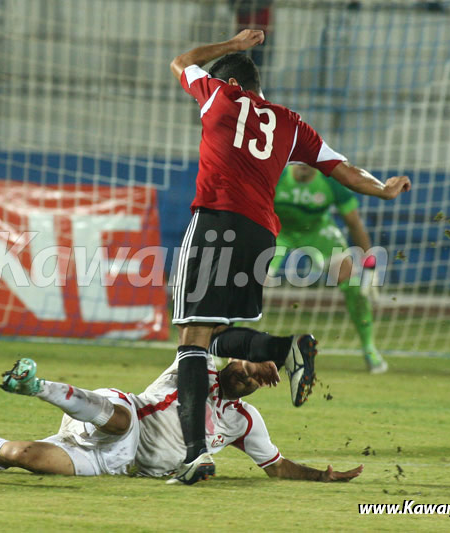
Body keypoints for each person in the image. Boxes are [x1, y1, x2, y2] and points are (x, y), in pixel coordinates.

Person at [168, 29, 411, 484]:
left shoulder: (218, 95)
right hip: (261, 234)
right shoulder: (290, 122)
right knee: (219, 333)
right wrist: (383, 188)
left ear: (232, 83)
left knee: (191, 336)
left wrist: (231, 45)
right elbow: (345, 170)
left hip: (217, 221)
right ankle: (284, 348)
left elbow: (181, 60)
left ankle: (195, 453)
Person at [0, 357, 363, 483]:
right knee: (122, 419)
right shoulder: (190, 369)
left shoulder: (245, 421)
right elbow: (217, 346)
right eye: (245, 368)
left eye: (255, 378)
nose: (248, 378)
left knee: (22, 457)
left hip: (115, 466)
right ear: (231, 362)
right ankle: (34, 386)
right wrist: (259, 354)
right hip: (123, 417)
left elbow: (275, 467)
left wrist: (322, 475)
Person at [270, 164, 387, 373]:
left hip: (318, 232)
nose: (306, 166)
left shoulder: (332, 181)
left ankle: (369, 347)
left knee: (352, 282)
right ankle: (221, 345)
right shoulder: (276, 175)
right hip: (279, 230)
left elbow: (354, 224)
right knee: (250, 282)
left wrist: (370, 264)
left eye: (310, 161)